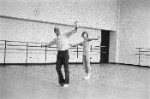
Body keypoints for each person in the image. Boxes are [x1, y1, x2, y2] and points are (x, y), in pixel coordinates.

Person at [41, 22, 78, 87]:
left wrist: (76, 27)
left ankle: (66, 82)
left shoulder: (64, 34)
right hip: (59, 54)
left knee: (66, 68)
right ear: (54, 31)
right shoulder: (56, 38)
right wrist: (45, 45)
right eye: (55, 30)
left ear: (59, 30)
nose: (56, 31)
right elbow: (50, 43)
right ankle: (61, 81)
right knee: (58, 68)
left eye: (57, 29)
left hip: (65, 53)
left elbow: (72, 31)